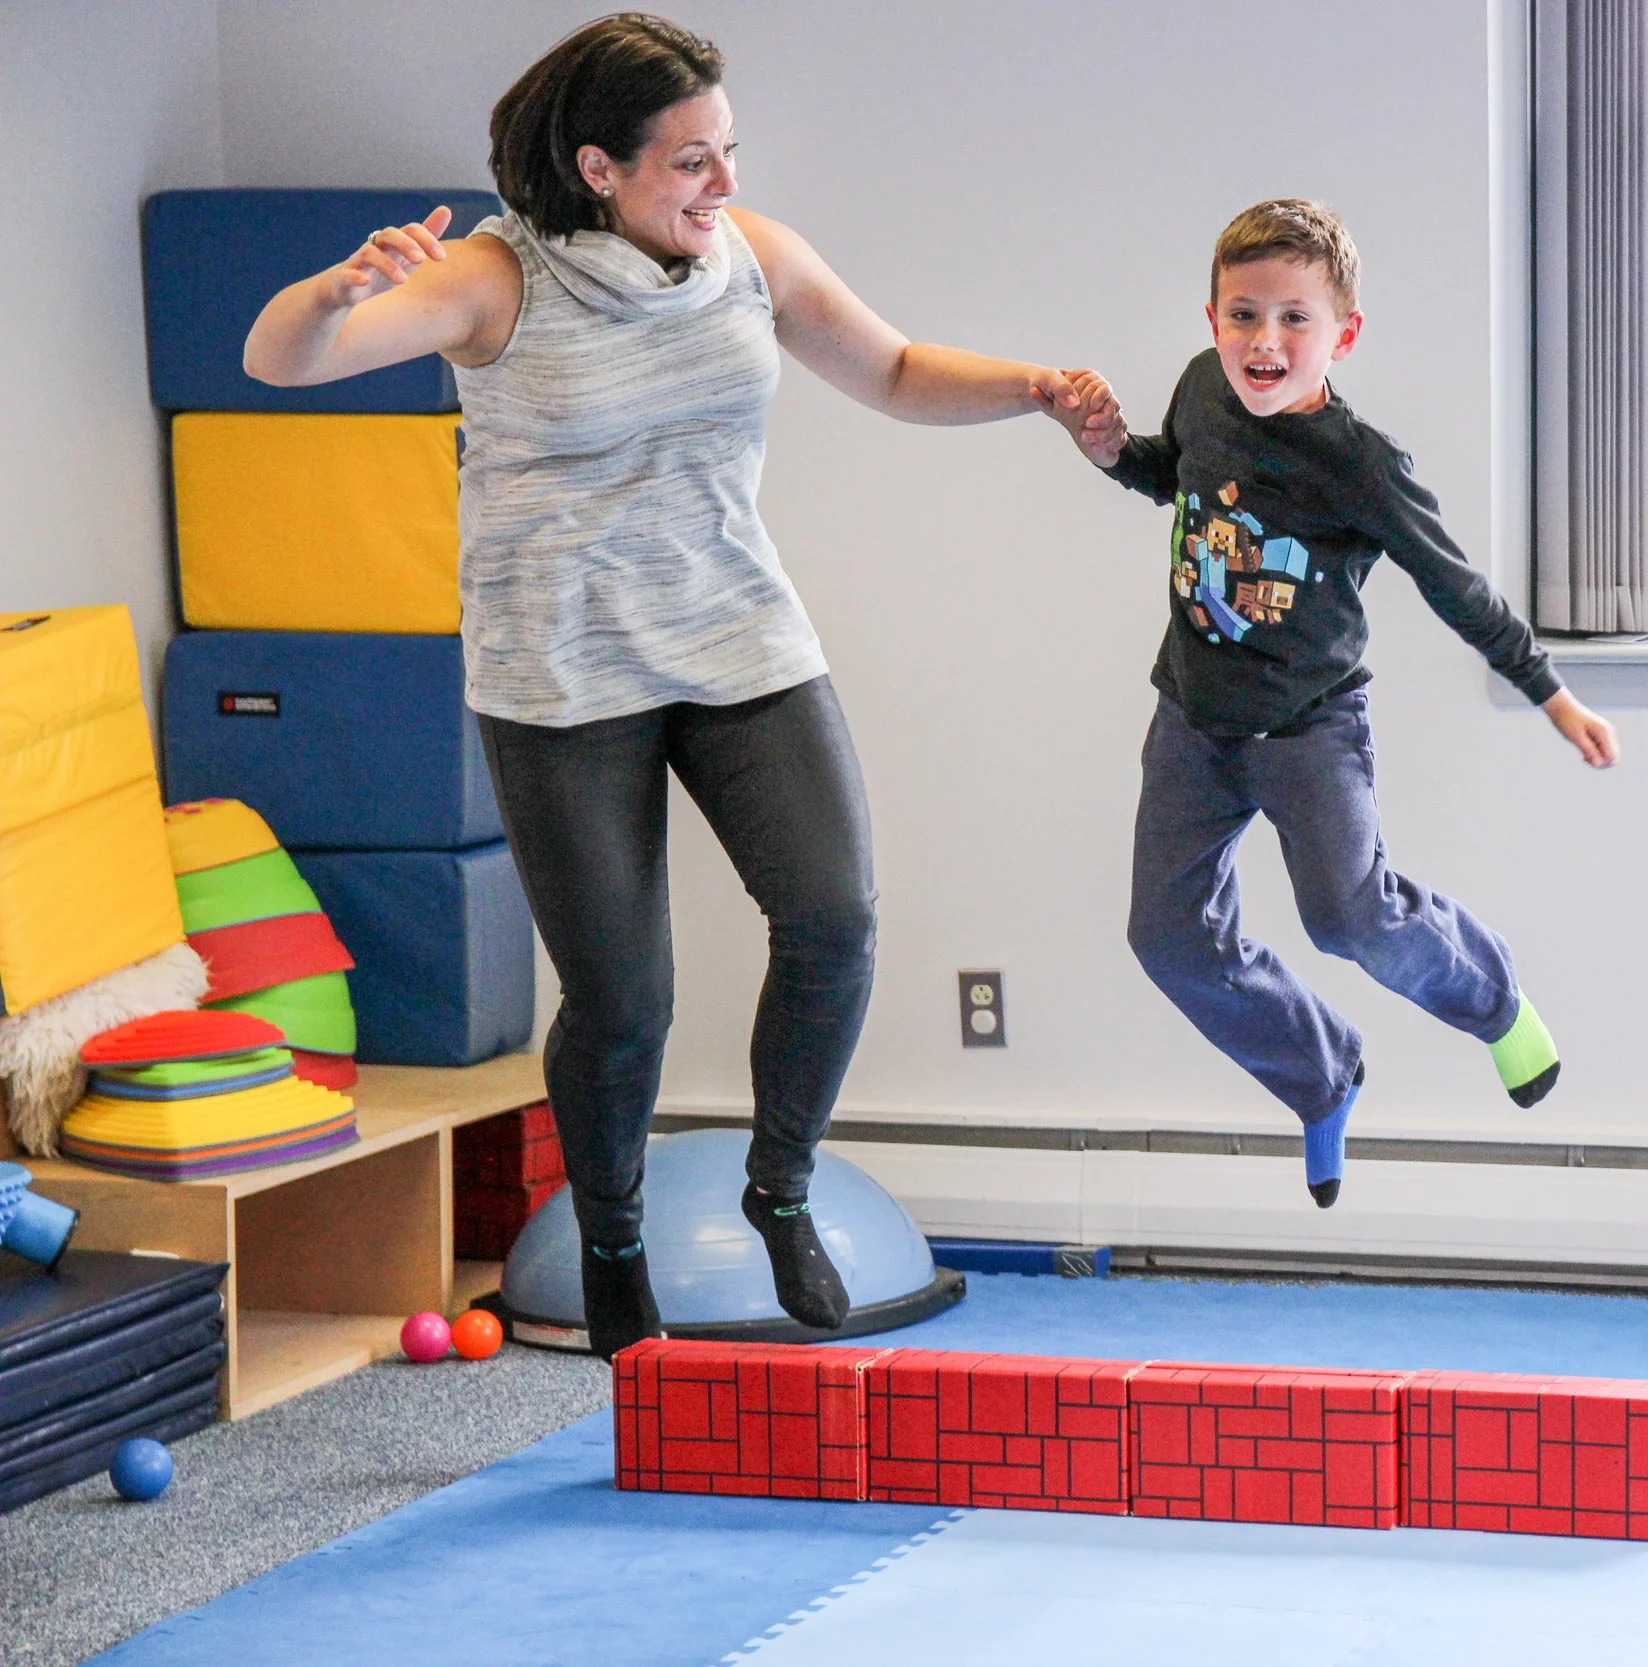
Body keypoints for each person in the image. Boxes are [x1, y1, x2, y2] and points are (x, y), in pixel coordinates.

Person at [242, 13, 1119, 1358]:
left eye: (728, 154)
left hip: (739, 646)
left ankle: (781, 1190)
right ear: (598, 167)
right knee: (624, 999)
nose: (720, 184)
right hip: (561, 678)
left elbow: (886, 366)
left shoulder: (751, 256)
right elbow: (278, 359)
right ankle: (610, 1234)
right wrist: (341, 290)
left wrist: (1036, 390)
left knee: (835, 917)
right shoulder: (494, 279)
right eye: (690, 162)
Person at [1060, 198, 1620, 1210]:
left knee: (1349, 914)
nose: (1263, 341)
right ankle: (1320, 1074)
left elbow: (1455, 583)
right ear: (1211, 317)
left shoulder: (1361, 464)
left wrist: (1549, 692)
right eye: (1242, 314)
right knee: (1167, 938)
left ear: (1341, 334)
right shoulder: (1199, 388)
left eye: (1292, 318)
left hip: (1310, 729)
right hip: (1190, 718)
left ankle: (1492, 1001)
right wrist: (1110, 450)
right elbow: (1169, 477)